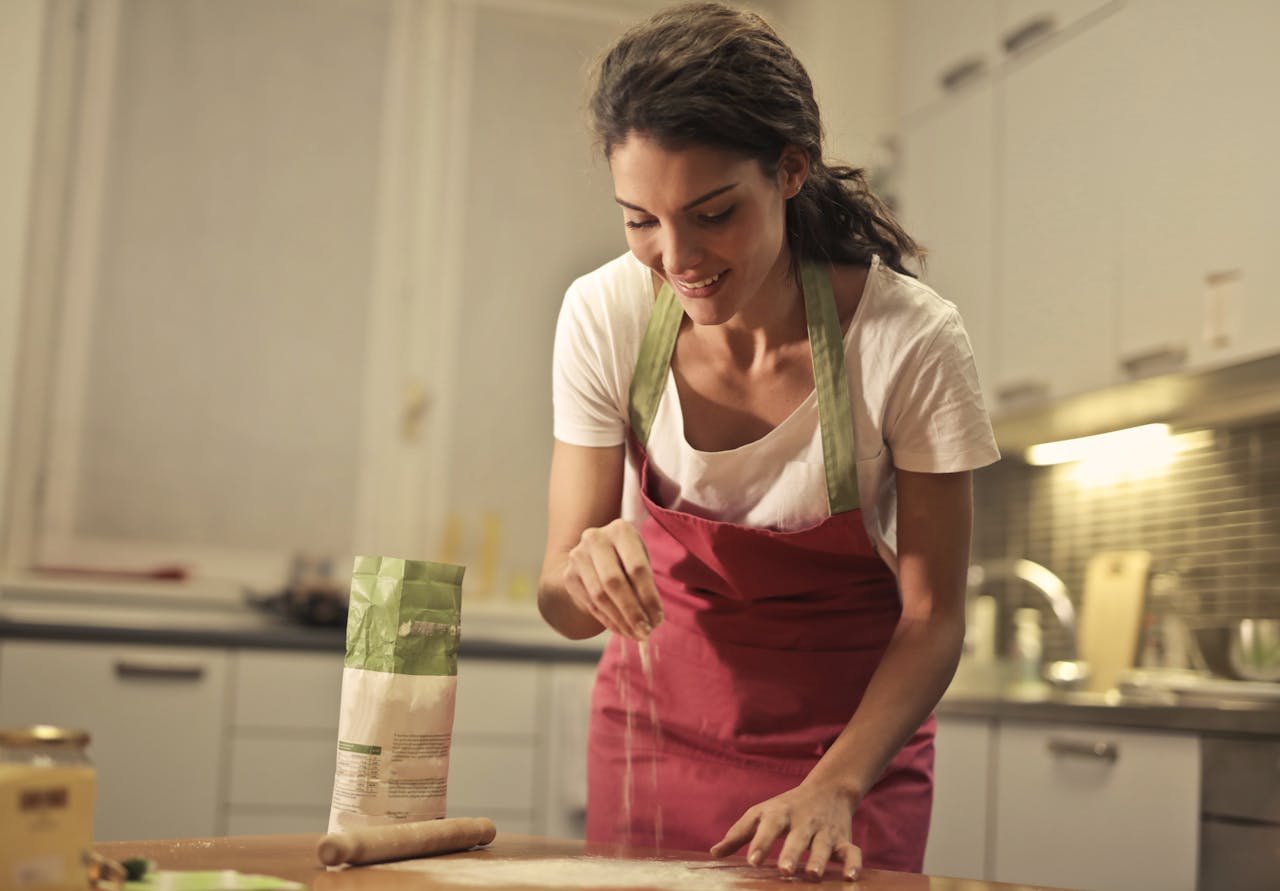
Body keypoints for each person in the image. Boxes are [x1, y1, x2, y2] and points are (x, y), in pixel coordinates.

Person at [537, 1, 999, 881]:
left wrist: (835, 784)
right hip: (652, 742)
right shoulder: (605, 315)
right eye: (640, 220)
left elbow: (934, 616)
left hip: (848, 761)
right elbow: (557, 601)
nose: (677, 256)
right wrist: (580, 571)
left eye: (713, 214)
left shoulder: (910, 340)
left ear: (790, 171)